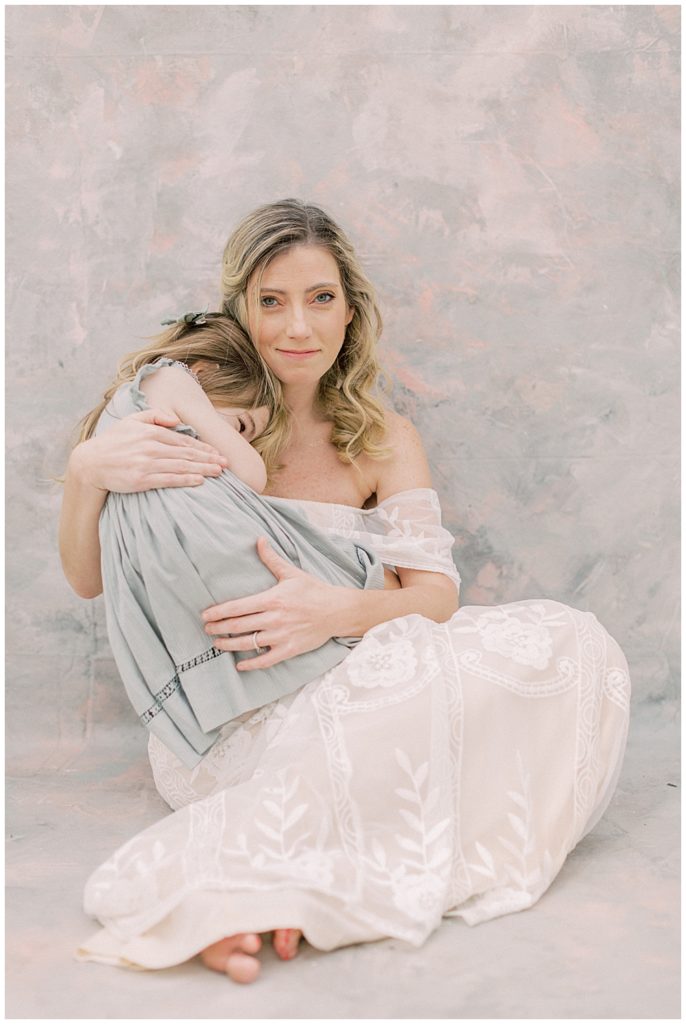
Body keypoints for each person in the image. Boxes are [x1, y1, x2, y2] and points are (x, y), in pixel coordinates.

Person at [60, 199, 631, 985]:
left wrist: (334, 611)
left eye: (320, 298)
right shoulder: (187, 418)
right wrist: (87, 471)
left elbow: (434, 598)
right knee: (402, 736)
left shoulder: (382, 437)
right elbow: (92, 580)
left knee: (570, 645)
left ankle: (292, 885)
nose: (299, 326)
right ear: (241, 310)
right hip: (229, 722)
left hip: (353, 680)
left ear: (350, 309)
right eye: (272, 301)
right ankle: (236, 888)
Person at [84, 310, 399, 768]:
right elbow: (249, 474)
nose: (242, 443)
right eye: (244, 427)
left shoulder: (129, 438)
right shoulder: (168, 383)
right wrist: (83, 471)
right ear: (205, 375)